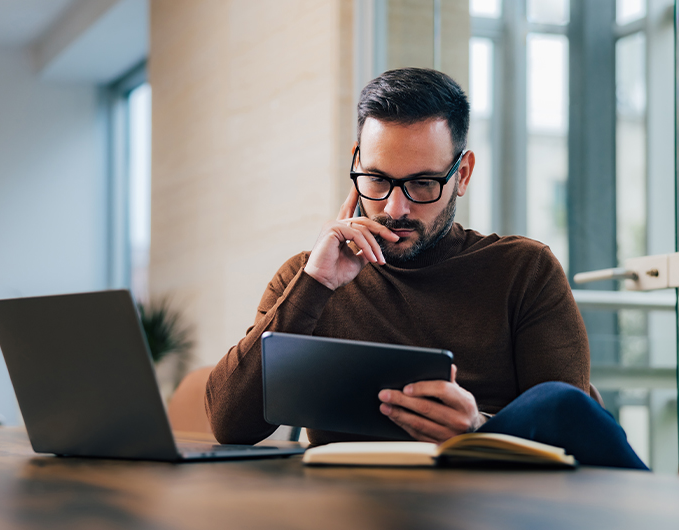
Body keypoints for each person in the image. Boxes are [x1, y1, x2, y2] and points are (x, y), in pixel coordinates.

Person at [206, 67, 647, 470]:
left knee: (557, 403)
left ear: (463, 174)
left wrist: (478, 427)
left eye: (422, 184)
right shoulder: (307, 278)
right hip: (348, 509)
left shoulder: (524, 271)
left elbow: (569, 429)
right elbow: (230, 425)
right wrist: (316, 284)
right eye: (377, 179)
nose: (395, 208)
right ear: (356, 162)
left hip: (492, 504)